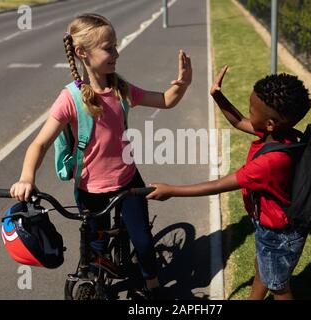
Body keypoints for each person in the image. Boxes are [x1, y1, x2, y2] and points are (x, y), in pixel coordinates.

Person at [10, 13, 192, 298]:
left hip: (128, 182)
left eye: (115, 46)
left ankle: (152, 284)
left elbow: (166, 100)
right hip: (90, 189)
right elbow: (39, 144)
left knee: (143, 243)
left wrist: (182, 84)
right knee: (95, 249)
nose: (116, 53)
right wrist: (26, 177)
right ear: (82, 52)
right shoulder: (70, 99)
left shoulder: (121, 90)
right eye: (109, 48)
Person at [147, 66, 311, 300]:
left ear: (271, 123)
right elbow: (239, 122)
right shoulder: (279, 135)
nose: (248, 114)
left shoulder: (270, 162)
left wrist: (171, 190)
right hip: (269, 225)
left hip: (279, 233)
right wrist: (218, 95)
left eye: (252, 110)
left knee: (279, 287)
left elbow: (219, 185)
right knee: (263, 266)